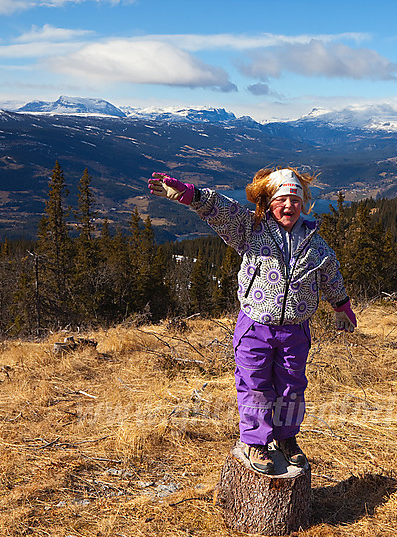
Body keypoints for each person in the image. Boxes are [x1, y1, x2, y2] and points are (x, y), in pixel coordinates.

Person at [148, 167, 356, 474]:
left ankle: (286, 438)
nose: (289, 206)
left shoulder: (315, 243)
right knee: (254, 384)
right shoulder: (252, 229)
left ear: (304, 203)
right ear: (268, 201)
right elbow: (223, 212)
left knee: (291, 387)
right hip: (255, 327)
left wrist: (341, 305)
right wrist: (192, 196)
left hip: (295, 330)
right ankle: (256, 442)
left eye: (295, 200)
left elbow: (331, 275)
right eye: (281, 199)